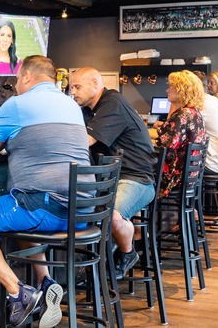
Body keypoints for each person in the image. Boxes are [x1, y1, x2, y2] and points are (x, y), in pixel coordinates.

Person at [0, 56, 89, 328]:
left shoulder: (17, 104)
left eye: (17, 79)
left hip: (44, 208)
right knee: (19, 217)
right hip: (82, 212)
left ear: (27, 76)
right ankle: (45, 280)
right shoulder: (72, 105)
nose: (15, 85)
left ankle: (18, 292)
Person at [69, 67, 157, 278]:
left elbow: (85, 141)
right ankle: (88, 267)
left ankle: (128, 254)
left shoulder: (112, 103)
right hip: (108, 181)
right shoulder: (87, 110)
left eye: (77, 87)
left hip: (138, 179)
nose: (72, 92)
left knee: (112, 216)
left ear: (95, 84)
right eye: (71, 87)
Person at [152, 70, 207, 198]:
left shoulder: (181, 115)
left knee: (135, 176)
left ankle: (124, 215)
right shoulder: (195, 113)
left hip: (175, 179)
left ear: (183, 90)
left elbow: (165, 148)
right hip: (189, 176)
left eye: (171, 86)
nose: (167, 90)